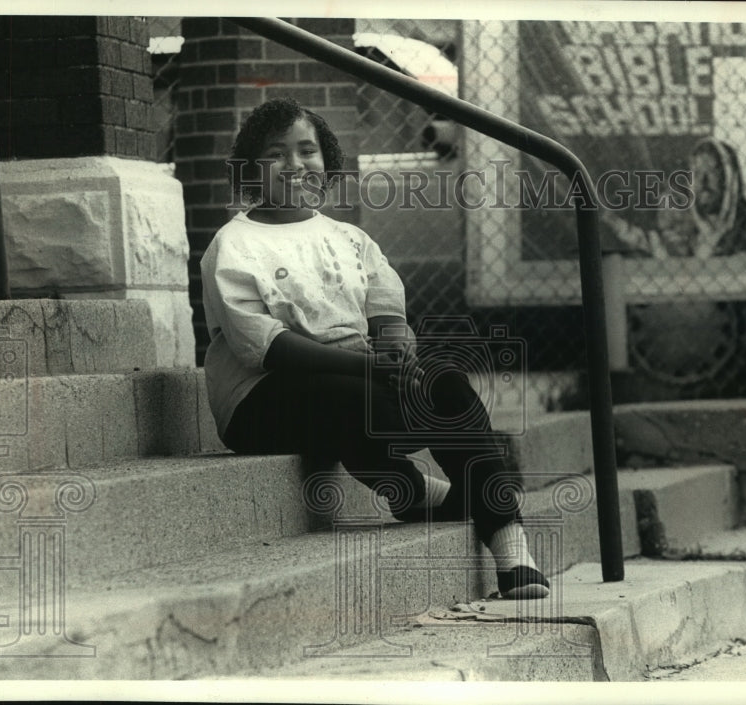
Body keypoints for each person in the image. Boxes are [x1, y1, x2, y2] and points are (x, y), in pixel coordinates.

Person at [200, 97, 549, 599]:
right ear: (251, 168)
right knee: (351, 397)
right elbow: (267, 348)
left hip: (357, 379)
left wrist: (398, 355)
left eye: (307, 150)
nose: (296, 164)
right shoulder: (233, 245)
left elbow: (387, 312)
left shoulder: (348, 237)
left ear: (327, 161)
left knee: (445, 382)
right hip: (262, 401)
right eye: (276, 154)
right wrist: (370, 368)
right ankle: (415, 490)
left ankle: (512, 548)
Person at [655, 137, 746, 258]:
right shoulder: (685, 236)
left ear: (729, 178)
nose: (703, 180)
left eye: (712, 170)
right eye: (697, 173)